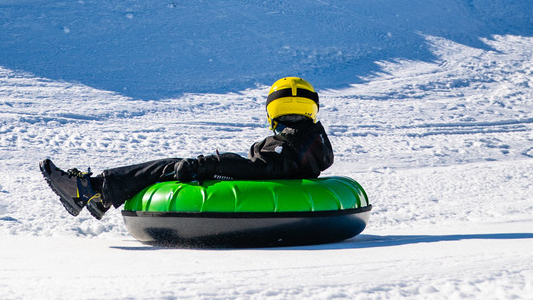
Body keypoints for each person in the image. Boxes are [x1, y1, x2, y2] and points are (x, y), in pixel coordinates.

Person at [40, 78, 334, 220]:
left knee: (170, 166)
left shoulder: (294, 143)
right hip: (262, 190)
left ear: (272, 111)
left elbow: (261, 169)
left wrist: (207, 165)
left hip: (257, 194)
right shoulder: (308, 140)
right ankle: (98, 194)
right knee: (174, 167)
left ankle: (92, 189)